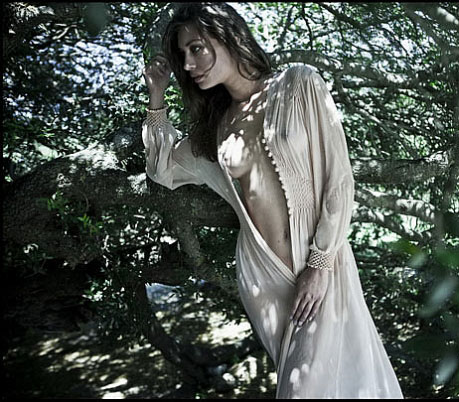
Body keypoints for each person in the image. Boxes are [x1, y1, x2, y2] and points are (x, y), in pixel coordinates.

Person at [142, 2, 404, 398]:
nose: (189, 64)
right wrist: (157, 96)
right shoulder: (215, 130)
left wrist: (319, 264)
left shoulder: (299, 84)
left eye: (196, 48)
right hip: (263, 279)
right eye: (183, 55)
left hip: (322, 263)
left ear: (229, 36)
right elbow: (162, 169)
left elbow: (339, 180)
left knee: (321, 385)